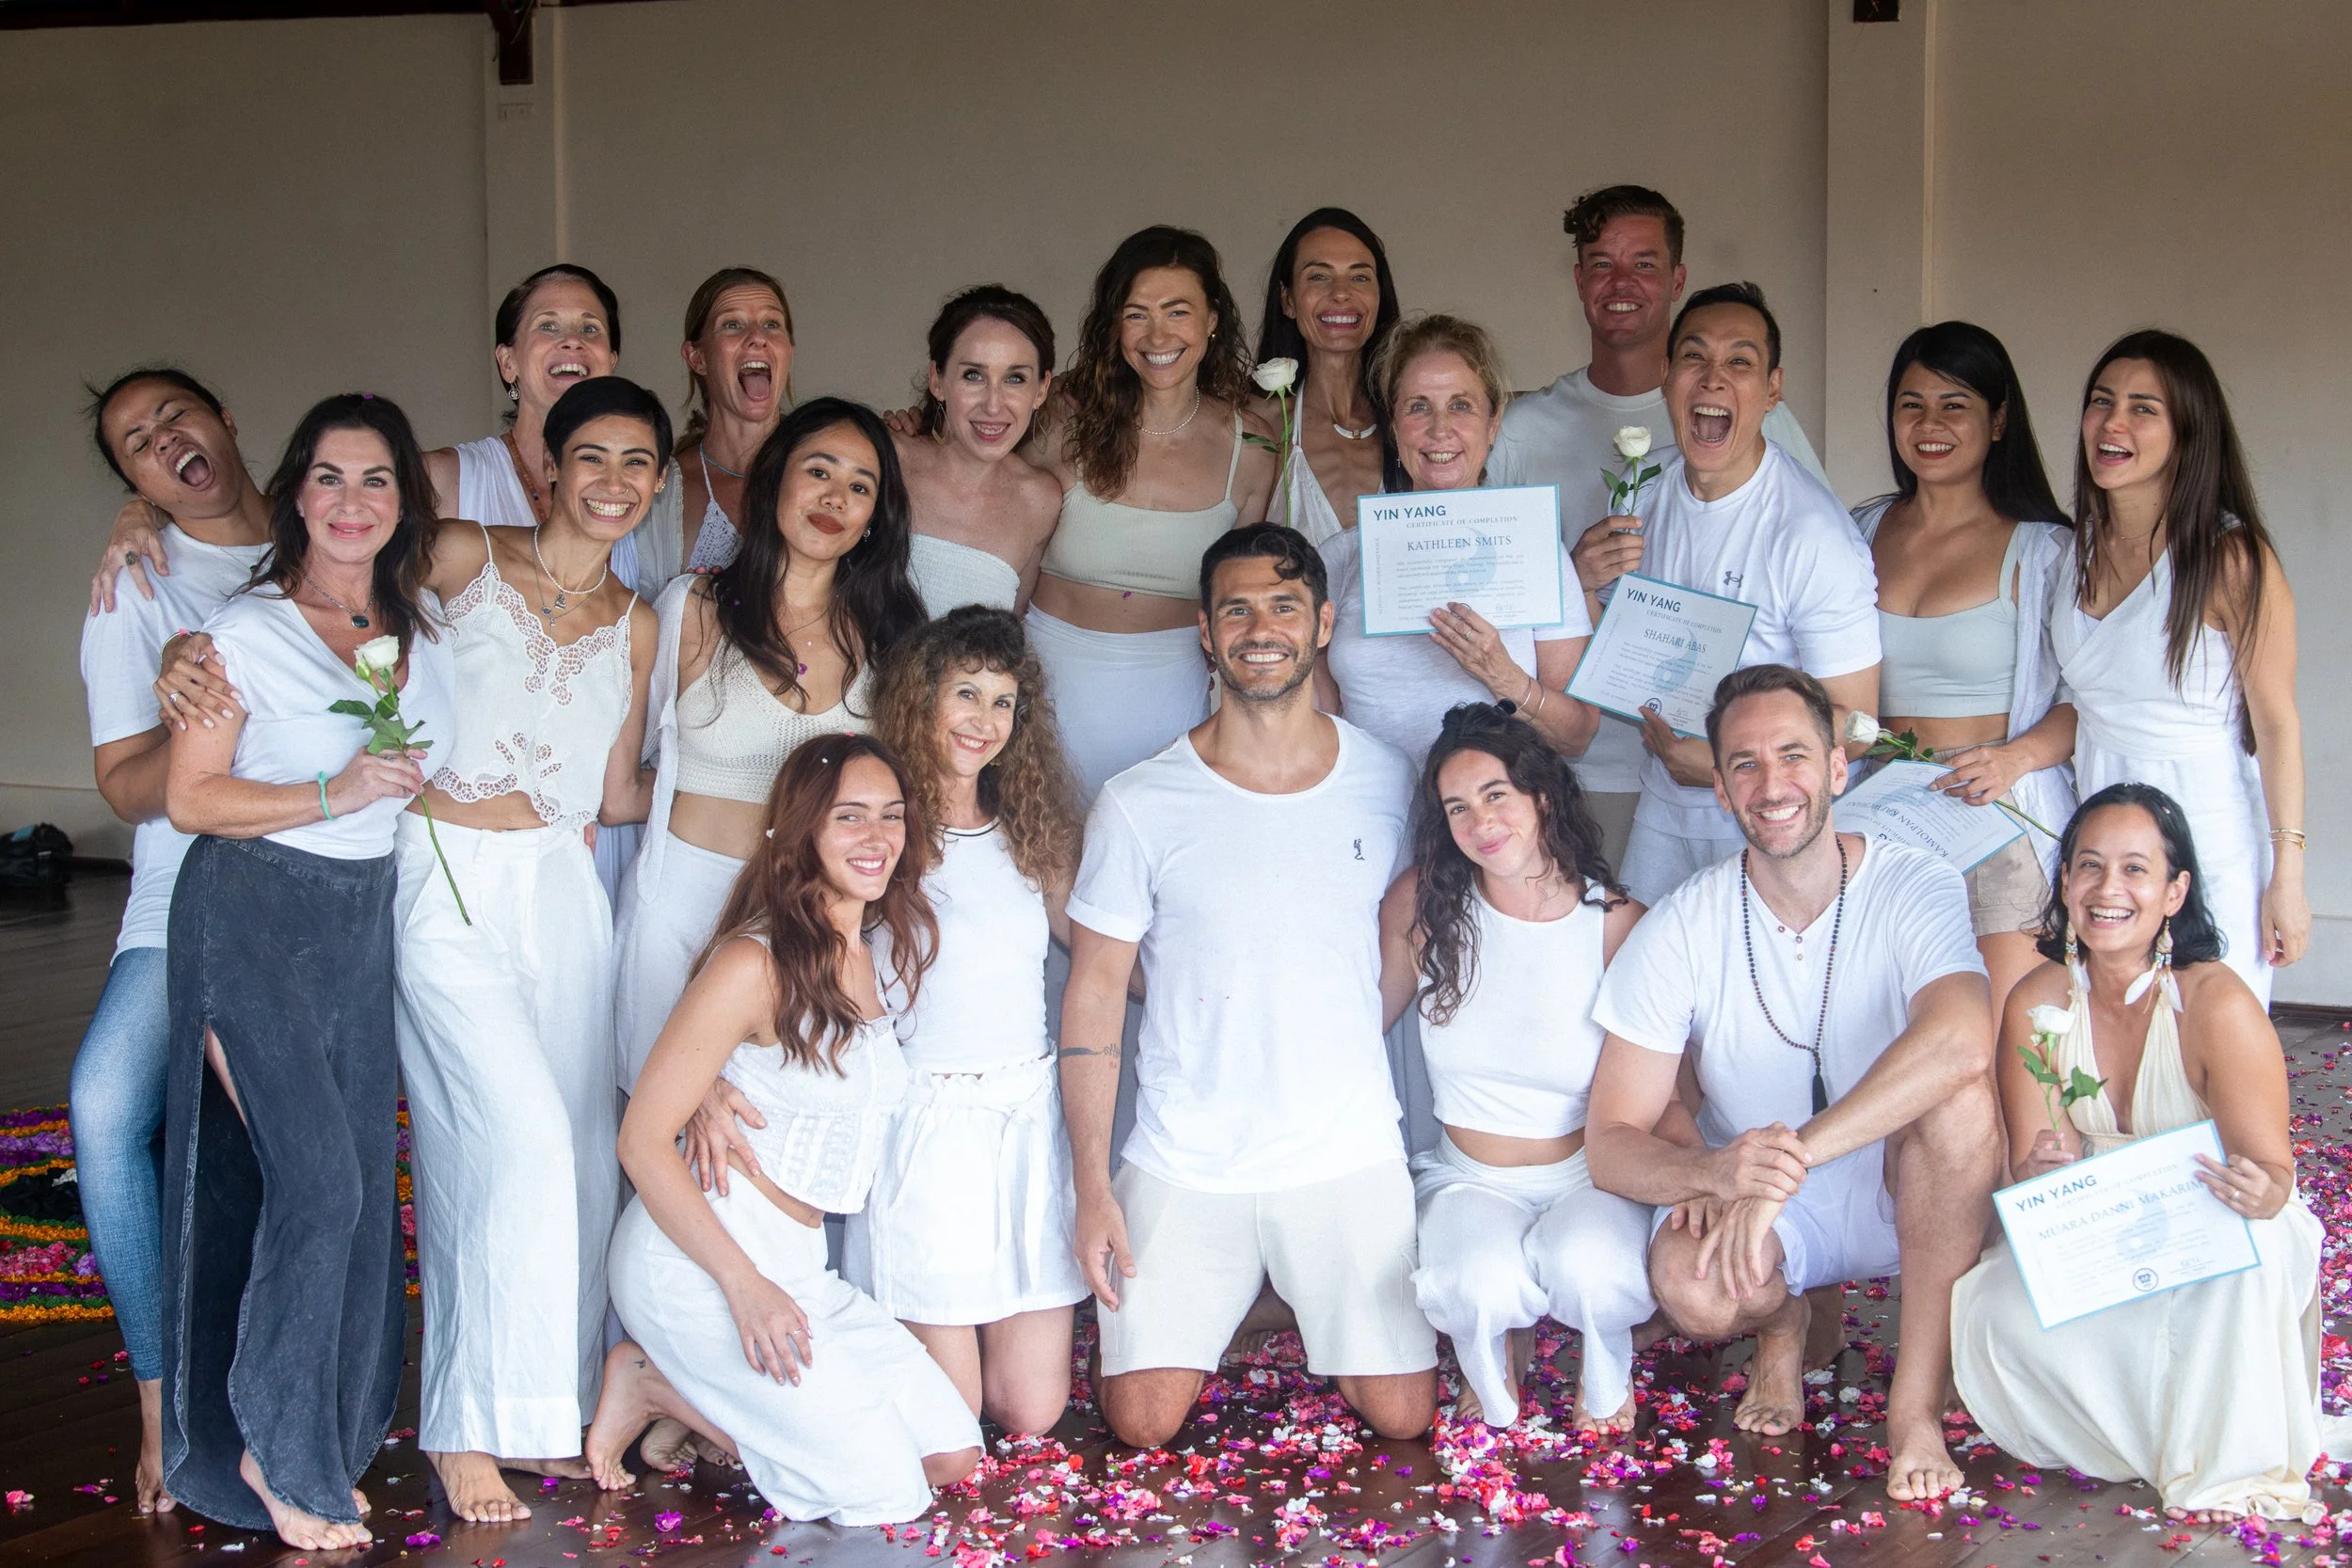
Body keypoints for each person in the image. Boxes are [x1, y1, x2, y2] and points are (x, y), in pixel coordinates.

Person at [1584, 664, 2000, 1503]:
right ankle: (1783, 1320)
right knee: (1692, 1289)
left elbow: (1960, 1040)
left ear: (1839, 769)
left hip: (1903, 1179)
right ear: (1723, 790)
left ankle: (1912, 1409)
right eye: (1744, 763)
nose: (1773, 784)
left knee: (1959, 1104)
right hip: (1760, 1192)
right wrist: (1716, 1172)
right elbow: (1611, 1142)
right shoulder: (1683, 922)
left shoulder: (1914, 881)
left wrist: (1790, 1161)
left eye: (1794, 755)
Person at [1061, 523, 1438, 1449]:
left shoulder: (1389, 780)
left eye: (1282, 605)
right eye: (1236, 607)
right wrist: (1090, 1188)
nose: (1259, 626)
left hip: (1341, 1149)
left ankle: (1282, 1292)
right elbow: (1095, 995)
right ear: (1204, 630)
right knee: (1143, 1423)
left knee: (1403, 1416)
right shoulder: (1138, 800)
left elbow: (1412, 933)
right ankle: (1245, 1292)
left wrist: (1339, 1020)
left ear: (1321, 625)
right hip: (1188, 1153)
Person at [158, 393, 457, 1550]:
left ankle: (319, 1430)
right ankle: (273, 1449)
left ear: (402, 501)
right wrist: (333, 792)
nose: (350, 501)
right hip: (251, 906)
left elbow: (420, 781)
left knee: (356, 1191)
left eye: (374, 479)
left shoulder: (413, 629)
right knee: (317, 1183)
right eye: (328, 478)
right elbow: (193, 797)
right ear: (295, 493)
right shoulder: (241, 633)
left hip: (358, 921)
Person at [586, 735, 982, 1524]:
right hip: (702, 1266)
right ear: (803, 829)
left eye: (892, 816)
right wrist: (745, 1287)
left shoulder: (869, 954)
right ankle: (656, 1376)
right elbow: (640, 1140)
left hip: (803, 1268)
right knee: (883, 1491)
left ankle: (664, 1389)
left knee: (951, 1453)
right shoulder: (751, 964)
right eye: (850, 817)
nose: (877, 838)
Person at [390, 378, 664, 1521]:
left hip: (559, 887)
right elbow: (319, 579)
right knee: (503, 1138)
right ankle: (462, 1421)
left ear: (657, 482)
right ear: (546, 463)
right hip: (445, 869)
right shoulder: (457, 555)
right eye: (589, 455)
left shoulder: (641, 624)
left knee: (582, 1155)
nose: (612, 481)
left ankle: (540, 1403)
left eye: (638, 462)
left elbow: (615, 791)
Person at [1951, 784, 2331, 1523]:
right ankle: (2162, 1430)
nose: (2108, 890)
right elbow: (2027, 1173)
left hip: (2217, 1217)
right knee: (1995, 1313)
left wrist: (2265, 1190)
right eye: (2089, 867)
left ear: (2174, 891)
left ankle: (2224, 1454)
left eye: (2135, 869)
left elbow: (2272, 1174)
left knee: (2247, 1253)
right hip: (2104, 1230)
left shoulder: (2216, 1003)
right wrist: (2036, 1173)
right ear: (2064, 883)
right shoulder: (2036, 1002)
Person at [1487, 185, 1828, 865]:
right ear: (1580, 278)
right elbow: (1496, 599)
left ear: (1676, 279)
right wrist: (1569, 577)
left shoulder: (1756, 416)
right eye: (1602, 263)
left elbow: (1812, 577)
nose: (1622, 284)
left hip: (1716, 774)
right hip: (1574, 766)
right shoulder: (1525, 428)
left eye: (1644, 264)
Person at [73, 368, 273, 1515]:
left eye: (177, 416)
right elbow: (120, 780)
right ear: (134, 482)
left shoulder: (315, 526)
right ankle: (160, 1397)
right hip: (182, 891)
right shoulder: (134, 586)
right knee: (104, 1105)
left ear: (229, 416)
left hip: (316, 885)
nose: (165, 442)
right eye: (137, 446)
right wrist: (195, 735)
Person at [612, 398, 924, 1090]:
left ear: (877, 516)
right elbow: (618, 788)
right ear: (776, 478)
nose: (835, 497)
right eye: (818, 470)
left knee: (769, 1158)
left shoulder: (892, 637)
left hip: (809, 928)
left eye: (860, 485)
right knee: (668, 1140)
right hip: (683, 913)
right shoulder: (693, 609)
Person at [832, 608, 1089, 1432]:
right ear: (921, 698)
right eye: (967, 694)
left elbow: (1102, 952)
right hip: (928, 1121)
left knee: (1033, 1411)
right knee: (953, 1418)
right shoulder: (885, 827)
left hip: (1022, 1119)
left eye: (1004, 703)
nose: (984, 720)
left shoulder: (1032, 829)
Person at [1377, 703, 1653, 1431]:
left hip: (1583, 1175)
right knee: (1476, 1278)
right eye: (1457, 806)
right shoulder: (1425, 905)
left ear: (1541, 794)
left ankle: (1606, 1356)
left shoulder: (1618, 921)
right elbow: (1364, 1020)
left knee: (1592, 1266)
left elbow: (1664, 1087)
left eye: (1495, 794)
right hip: (1470, 1174)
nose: (1479, 821)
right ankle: (1495, 1352)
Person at [1603, 283, 1880, 907]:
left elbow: (1859, 726)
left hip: (1773, 818)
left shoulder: (1810, 532)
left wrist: (1724, 766)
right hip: (1664, 805)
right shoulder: (1639, 492)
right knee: (1647, 985)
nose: (1713, 379)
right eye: (1695, 358)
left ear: (1774, 388)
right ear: (1666, 375)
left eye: (1740, 362)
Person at [2051, 330, 2303, 1005]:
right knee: (2110, 1052)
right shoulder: (2070, 551)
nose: (2112, 422)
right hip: (2100, 831)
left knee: (2206, 1044)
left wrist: (2289, 873)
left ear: (2188, 433)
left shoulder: (2232, 559)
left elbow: (2277, 724)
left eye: (2143, 408)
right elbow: (2082, 702)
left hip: (2206, 827)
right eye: (2102, 401)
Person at [1854, 322, 2077, 1021]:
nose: (1929, 424)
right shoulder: (1855, 530)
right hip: (1880, 800)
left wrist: (2013, 760)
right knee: (1886, 1027)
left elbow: (2086, 698)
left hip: (1992, 806)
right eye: (1910, 403)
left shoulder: (2045, 551)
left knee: (2002, 1037)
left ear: (1999, 418)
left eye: (1954, 405)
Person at [1027, 225, 1279, 802]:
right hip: (1047, 674)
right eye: (1136, 313)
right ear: (1113, 326)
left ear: (1212, 320)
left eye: (1177, 311)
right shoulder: (1062, 424)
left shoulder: (1254, 446)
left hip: (1170, 686)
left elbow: (1240, 592)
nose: (1157, 334)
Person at [1316, 314, 1597, 771]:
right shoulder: (1343, 556)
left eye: (1461, 405)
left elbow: (1577, 734)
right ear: (1393, 423)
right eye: (1419, 406)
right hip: (1373, 820)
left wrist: (1498, 672)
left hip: (1490, 826)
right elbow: (1315, 719)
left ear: (1493, 422)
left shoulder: (1536, 551)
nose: (1440, 429)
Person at [893, 286, 1064, 615]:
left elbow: (1010, 634)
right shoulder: (887, 460)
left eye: (1015, 379)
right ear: (937, 380)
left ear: (1041, 389)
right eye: (973, 375)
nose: (993, 404)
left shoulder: (1040, 499)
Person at [631, 266, 795, 591]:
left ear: (789, 349)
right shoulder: (661, 490)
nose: (758, 337)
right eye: (732, 324)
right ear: (697, 357)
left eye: (772, 323)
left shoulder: (831, 474)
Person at [1251, 207, 1403, 545]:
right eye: (1319, 276)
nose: (1341, 292)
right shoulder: (1261, 425)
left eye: (1360, 277)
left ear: (1379, 297)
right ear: (1288, 300)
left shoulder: (1412, 419)